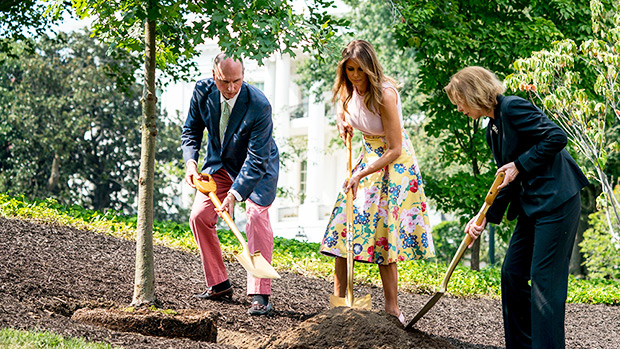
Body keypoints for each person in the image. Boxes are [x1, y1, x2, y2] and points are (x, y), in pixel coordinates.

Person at [444, 66, 589, 348]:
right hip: (532, 205)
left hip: (558, 200)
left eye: (459, 101)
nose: (459, 109)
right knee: (511, 273)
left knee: (544, 282)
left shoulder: (512, 107)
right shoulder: (493, 130)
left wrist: (520, 165)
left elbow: (557, 137)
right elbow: (506, 178)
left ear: (472, 94)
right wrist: (484, 216)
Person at [319, 40, 435, 325]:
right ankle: (340, 303)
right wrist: (341, 120)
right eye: (350, 69)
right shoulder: (347, 90)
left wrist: (360, 174)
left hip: (393, 166)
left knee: (385, 235)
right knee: (342, 227)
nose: (355, 76)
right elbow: (345, 111)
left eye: (360, 70)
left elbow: (395, 148)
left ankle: (392, 309)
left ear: (370, 69)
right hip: (366, 158)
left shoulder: (385, 94)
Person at [181, 53, 279, 316]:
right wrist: (191, 163)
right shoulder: (202, 91)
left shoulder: (259, 104)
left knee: (256, 217)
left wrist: (235, 194)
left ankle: (260, 295)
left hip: (258, 167)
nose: (231, 88)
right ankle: (219, 284)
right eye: (225, 82)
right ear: (215, 77)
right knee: (199, 216)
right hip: (221, 165)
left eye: (237, 81)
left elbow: (257, 159)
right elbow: (190, 131)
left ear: (243, 76)